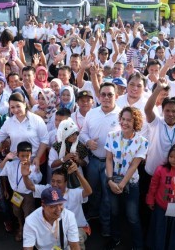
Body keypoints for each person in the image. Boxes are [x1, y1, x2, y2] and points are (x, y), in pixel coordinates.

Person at [79, 82, 121, 236]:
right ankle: (92, 216)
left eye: (110, 94)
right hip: (94, 161)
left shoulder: (122, 114)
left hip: (112, 164)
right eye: (103, 94)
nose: (106, 97)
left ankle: (105, 226)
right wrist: (88, 142)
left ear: (116, 96)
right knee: (93, 192)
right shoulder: (92, 113)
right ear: (99, 96)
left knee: (107, 197)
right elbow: (83, 133)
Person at [105, 107, 148, 250]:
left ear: (136, 122)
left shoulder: (142, 141)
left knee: (132, 216)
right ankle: (115, 239)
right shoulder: (111, 136)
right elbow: (109, 160)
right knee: (114, 213)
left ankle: (138, 245)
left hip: (131, 184)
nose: (124, 122)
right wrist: (110, 180)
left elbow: (134, 165)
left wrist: (122, 184)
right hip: (112, 181)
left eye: (129, 120)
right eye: (123, 119)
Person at [0, 141, 42, 242]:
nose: (25, 158)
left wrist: (33, 171)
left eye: (27, 155)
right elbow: (0, 168)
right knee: (16, 212)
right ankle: (21, 227)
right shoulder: (12, 164)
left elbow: (38, 181)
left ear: (31, 154)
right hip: (16, 194)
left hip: (28, 195)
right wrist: (6, 158)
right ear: (17, 155)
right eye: (22, 155)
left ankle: (28, 231)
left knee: (28, 214)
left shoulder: (33, 167)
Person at [0, 92, 49, 167]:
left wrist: (37, 157)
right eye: (12, 107)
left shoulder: (36, 119)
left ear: (24, 104)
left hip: (34, 162)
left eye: (18, 106)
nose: (15, 110)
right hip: (15, 162)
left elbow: (44, 139)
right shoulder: (9, 122)